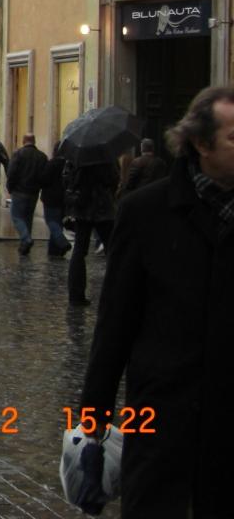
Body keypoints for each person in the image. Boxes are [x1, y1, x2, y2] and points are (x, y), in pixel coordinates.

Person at [76, 86, 234, 516]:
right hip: (161, 416)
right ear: (201, 143)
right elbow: (115, 325)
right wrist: (93, 424)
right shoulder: (145, 213)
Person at [66, 159, 118, 306]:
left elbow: (67, 179)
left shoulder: (76, 159)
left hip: (82, 207)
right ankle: (114, 291)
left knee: (79, 250)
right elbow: (114, 180)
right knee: (112, 250)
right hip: (103, 208)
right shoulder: (107, 158)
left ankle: (75, 294)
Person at [6, 134, 48, 255]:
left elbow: (11, 172)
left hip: (19, 191)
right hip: (33, 192)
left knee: (17, 217)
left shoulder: (18, 154)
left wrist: (10, 187)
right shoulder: (42, 156)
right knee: (28, 219)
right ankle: (24, 246)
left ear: (23, 141)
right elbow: (44, 175)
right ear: (34, 141)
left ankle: (26, 238)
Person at [40, 149, 72, 257]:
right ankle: (54, 250)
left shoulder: (52, 163)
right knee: (58, 223)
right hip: (63, 198)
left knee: (51, 221)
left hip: (50, 198)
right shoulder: (69, 164)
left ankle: (62, 241)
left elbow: (44, 179)